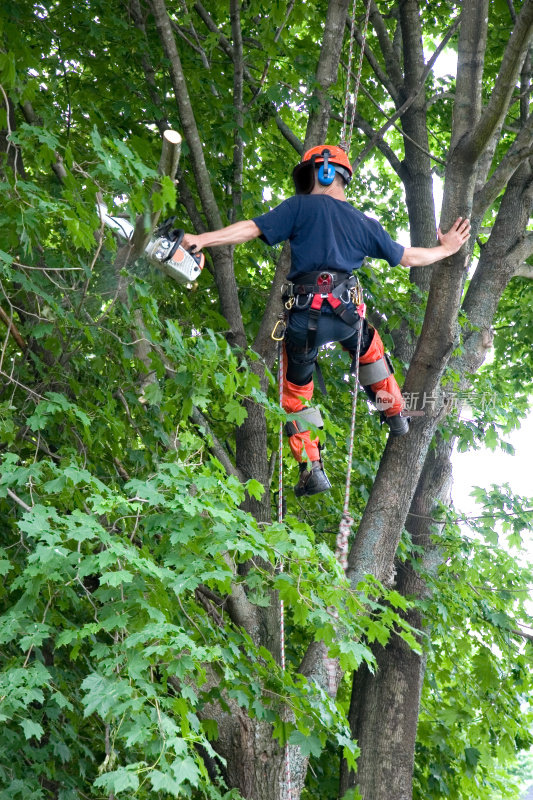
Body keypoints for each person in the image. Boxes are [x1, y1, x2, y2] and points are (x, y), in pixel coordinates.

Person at [182, 145, 471, 497]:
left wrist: (201, 239)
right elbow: (409, 257)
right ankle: (394, 413)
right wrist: (447, 249)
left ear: (321, 172)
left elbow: (249, 229)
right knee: (370, 349)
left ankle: (312, 467)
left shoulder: (299, 208)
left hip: (303, 320)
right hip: (346, 315)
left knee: (295, 395)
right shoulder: (364, 223)